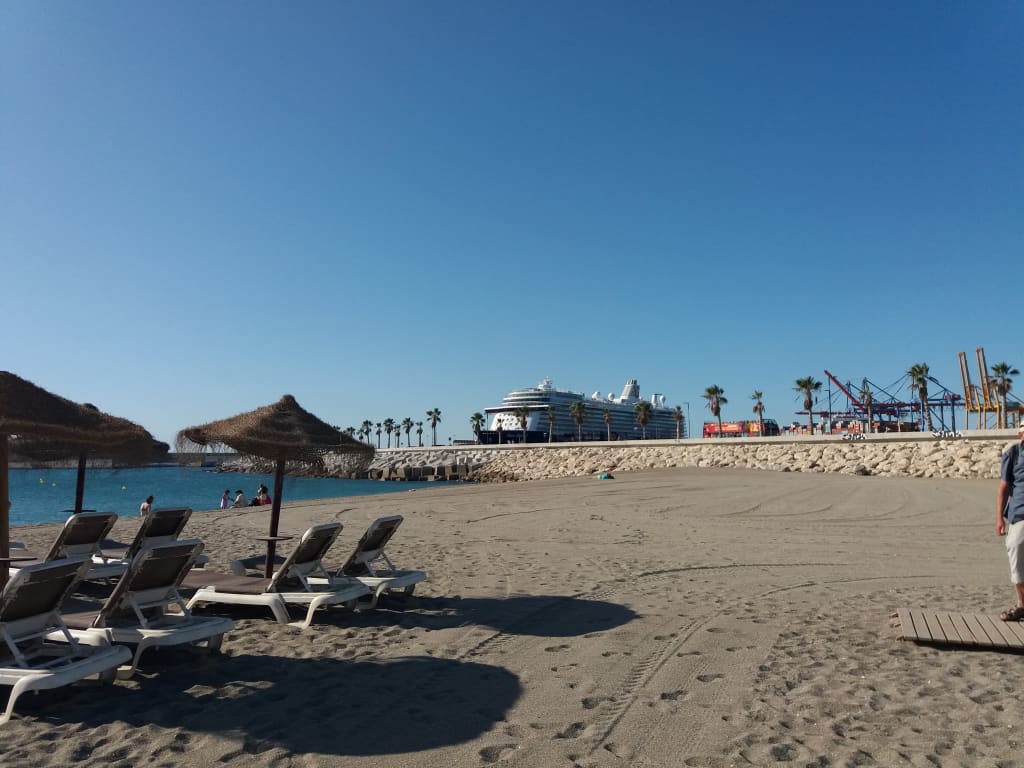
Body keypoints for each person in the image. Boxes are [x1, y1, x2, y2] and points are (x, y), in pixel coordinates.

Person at [996, 423, 1024, 621]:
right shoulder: (1013, 453)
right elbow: (1004, 487)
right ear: (1020, 433)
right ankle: (1022, 605)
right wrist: (999, 518)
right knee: (1015, 549)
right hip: (1019, 513)